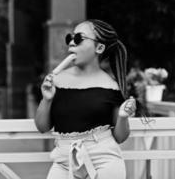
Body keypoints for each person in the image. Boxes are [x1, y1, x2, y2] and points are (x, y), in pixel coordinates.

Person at [35, 19, 138, 179]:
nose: (71, 43)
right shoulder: (57, 80)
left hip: (104, 160)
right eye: (70, 38)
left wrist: (123, 117)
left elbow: (120, 137)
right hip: (64, 161)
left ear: (99, 47)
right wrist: (46, 99)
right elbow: (42, 127)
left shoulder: (111, 86)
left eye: (78, 39)